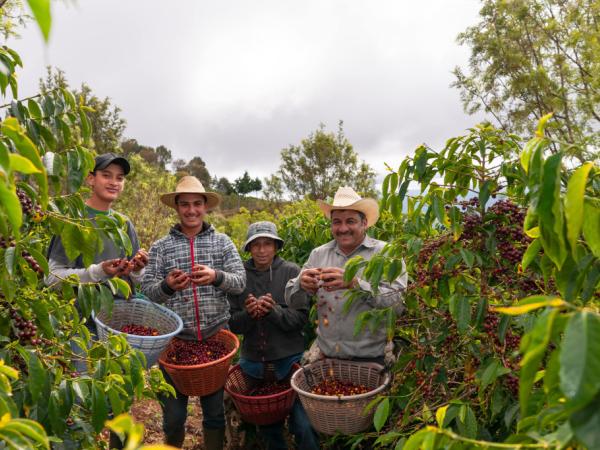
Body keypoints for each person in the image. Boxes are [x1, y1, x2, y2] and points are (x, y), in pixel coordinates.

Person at [45, 153, 149, 450]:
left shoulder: (123, 223)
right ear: (90, 179)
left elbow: (136, 278)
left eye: (120, 177)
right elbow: (53, 277)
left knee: (120, 400)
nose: (114, 182)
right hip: (80, 327)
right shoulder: (73, 220)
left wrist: (138, 267)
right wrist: (97, 272)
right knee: (81, 401)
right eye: (107, 175)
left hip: (117, 327)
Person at [141, 176, 245, 449]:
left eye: (197, 204)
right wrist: (168, 285)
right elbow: (149, 290)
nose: (191, 210)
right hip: (176, 342)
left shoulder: (221, 243)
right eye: (185, 204)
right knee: (174, 416)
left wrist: (215, 276)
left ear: (205, 207)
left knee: (213, 414)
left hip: (216, 339)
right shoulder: (161, 247)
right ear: (176, 207)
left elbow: (240, 282)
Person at [285, 186, 407, 364]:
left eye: (350, 221)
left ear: (364, 223)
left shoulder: (386, 254)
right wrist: (300, 285)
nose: (343, 228)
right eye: (337, 222)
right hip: (327, 357)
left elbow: (398, 306)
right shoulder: (319, 255)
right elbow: (293, 301)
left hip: (372, 359)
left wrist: (356, 284)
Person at [228, 221, 319, 450]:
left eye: (267, 244)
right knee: (269, 428)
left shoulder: (291, 272)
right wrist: (249, 314)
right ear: (248, 248)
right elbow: (233, 324)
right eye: (255, 245)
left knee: (303, 424)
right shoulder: (240, 275)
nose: (261, 250)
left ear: (276, 246)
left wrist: (273, 311)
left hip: (290, 361)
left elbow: (300, 319)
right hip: (254, 365)